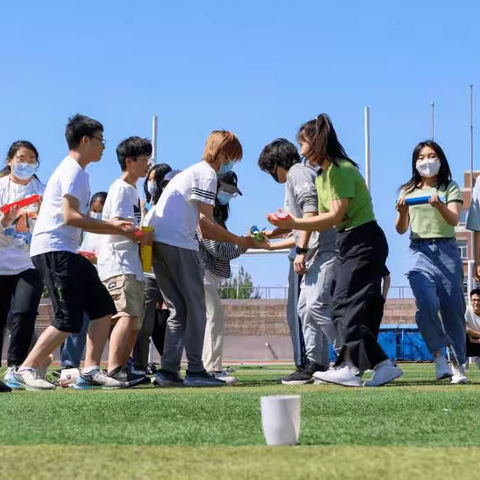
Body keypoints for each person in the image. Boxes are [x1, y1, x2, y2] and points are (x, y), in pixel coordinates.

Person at [268, 114, 402, 387]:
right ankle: (382, 365)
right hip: (349, 242)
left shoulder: (341, 171)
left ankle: (350, 367)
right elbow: (324, 217)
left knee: (343, 305)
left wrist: (293, 222)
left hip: (364, 240)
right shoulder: (323, 176)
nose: (301, 150)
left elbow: (334, 216)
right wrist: (285, 228)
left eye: (304, 144)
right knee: (341, 306)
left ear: (317, 144)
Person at [13, 114, 139, 391]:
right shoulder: (74, 172)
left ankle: (91, 369)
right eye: (100, 141)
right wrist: (113, 226)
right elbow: (70, 217)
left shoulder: (77, 171)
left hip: (67, 250)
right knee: (67, 318)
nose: (103, 147)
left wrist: (113, 228)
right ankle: (25, 369)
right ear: (85, 140)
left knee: (103, 307)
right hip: (53, 249)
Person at [147, 130, 256, 387]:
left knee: (179, 309)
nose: (231, 164)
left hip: (159, 243)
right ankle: (196, 370)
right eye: (233, 158)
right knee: (197, 308)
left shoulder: (191, 172)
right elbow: (205, 225)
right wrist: (240, 240)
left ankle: (168, 371)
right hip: (178, 243)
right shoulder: (206, 173)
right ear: (225, 153)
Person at [258, 138, 340, 385]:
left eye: (270, 169)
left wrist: (301, 251)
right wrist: (269, 238)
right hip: (315, 250)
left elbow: (310, 211)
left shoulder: (297, 173)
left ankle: (351, 357)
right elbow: (296, 226)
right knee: (305, 308)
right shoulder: (298, 175)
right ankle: (315, 363)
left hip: (323, 249)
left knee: (316, 305)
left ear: (276, 164)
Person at [396, 140, 466, 384]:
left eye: (432, 155)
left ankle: (458, 364)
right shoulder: (408, 190)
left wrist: (439, 205)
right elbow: (400, 228)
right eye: (421, 157)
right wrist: (403, 211)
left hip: (446, 250)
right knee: (426, 302)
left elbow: (454, 219)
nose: (427, 161)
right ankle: (439, 356)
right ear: (415, 162)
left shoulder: (450, 187)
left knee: (452, 310)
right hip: (419, 251)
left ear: (440, 159)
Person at [198, 171, 268, 383]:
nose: (229, 196)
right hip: (203, 272)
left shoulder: (215, 215)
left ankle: (209, 367)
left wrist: (243, 242)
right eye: (227, 190)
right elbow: (218, 249)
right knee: (214, 319)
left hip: (208, 274)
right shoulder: (206, 214)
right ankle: (211, 369)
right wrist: (244, 244)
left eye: (232, 192)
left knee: (213, 319)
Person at [95, 136, 153, 387]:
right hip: (118, 262)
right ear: (130, 161)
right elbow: (119, 226)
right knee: (125, 316)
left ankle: (123, 367)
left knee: (134, 320)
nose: (147, 164)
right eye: (144, 160)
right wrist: (145, 235)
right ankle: (114, 369)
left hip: (132, 264)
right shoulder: (120, 188)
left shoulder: (134, 190)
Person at [0, 141, 46, 389]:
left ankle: (16, 366)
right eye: (21, 158)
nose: (25, 164)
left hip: (30, 263)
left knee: (25, 312)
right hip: (1, 263)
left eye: (31, 160)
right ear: (10, 160)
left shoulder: (43, 191)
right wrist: (3, 220)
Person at [59, 192, 108, 372]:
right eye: (94, 209)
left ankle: (122, 362)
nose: (97, 213)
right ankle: (69, 363)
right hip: (80, 278)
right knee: (76, 323)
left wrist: (97, 259)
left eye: (101, 209)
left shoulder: (107, 228)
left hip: (104, 278)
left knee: (108, 323)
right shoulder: (82, 227)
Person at [132, 163, 173, 375]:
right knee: (143, 324)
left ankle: (170, 367)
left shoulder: (173, 206)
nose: (151, 184)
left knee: (173, 321)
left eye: (155, 180)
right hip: (147, 270)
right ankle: (138, 365)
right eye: (149, 179)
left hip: (167, 270)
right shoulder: (141, 204)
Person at [465, 289, 480, 368]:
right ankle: (462, 362)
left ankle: (478, 359)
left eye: (479, 300)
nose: (476, 303)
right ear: (470, 300)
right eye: (474, 300)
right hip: (468, 339)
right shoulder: (466, 309)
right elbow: (465, 328)